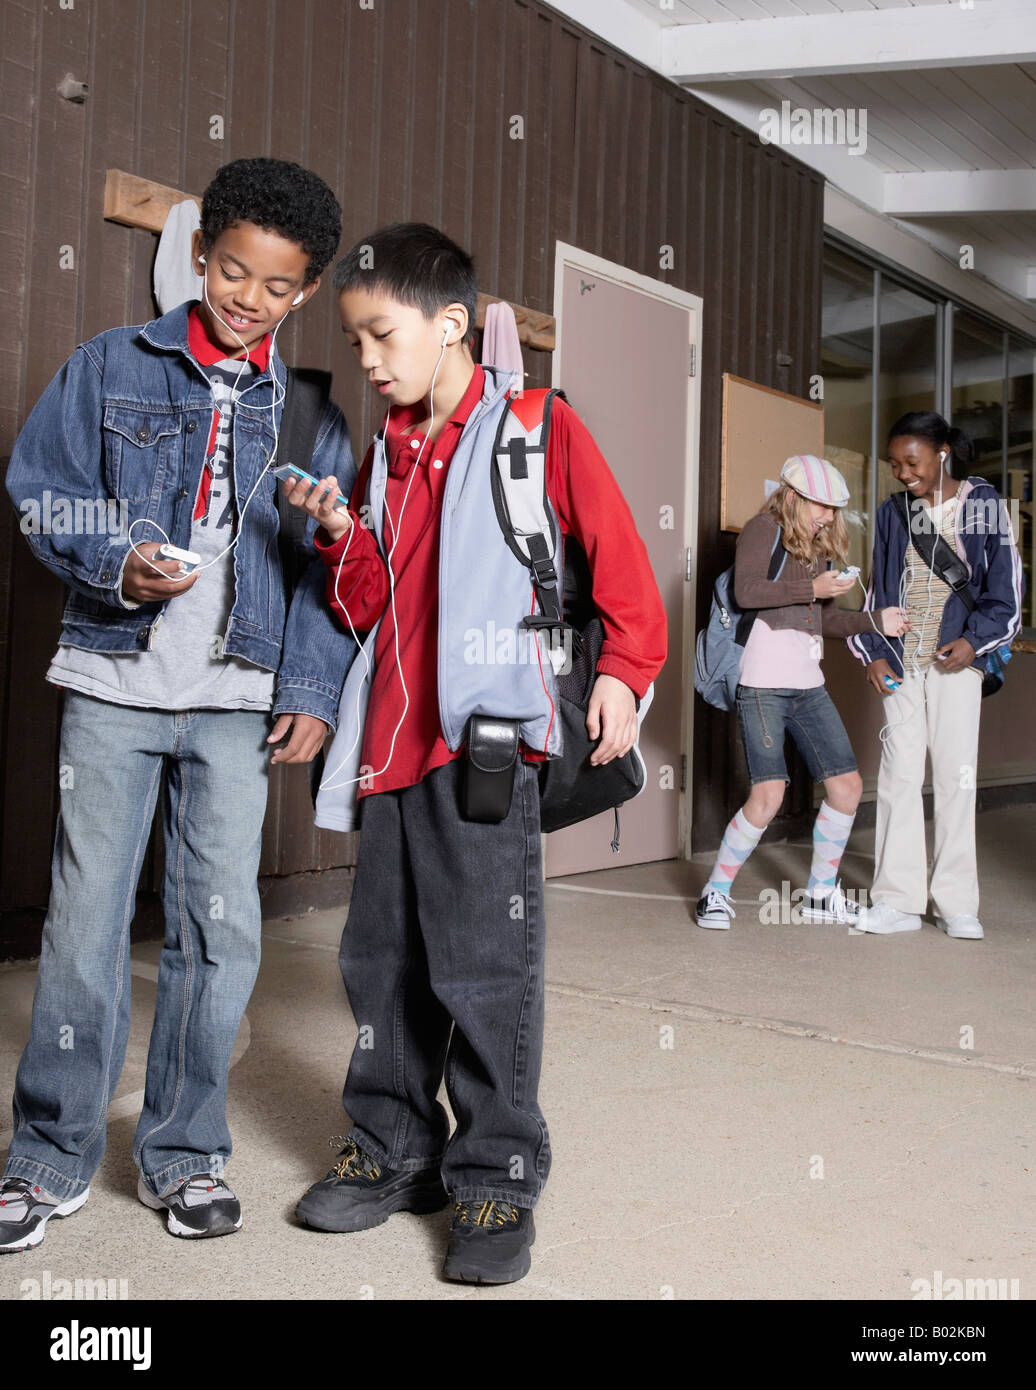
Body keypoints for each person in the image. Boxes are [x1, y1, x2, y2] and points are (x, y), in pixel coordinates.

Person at [280, 222, 667, 1284]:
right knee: (380, 963)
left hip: (490, 741)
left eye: (379, 335)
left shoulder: (535, 429)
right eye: (354, 341)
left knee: (483, 966)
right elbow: (371, 607)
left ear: (449, 323)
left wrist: (626, 678)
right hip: (390, 750)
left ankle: (494, 1179)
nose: (366, 360)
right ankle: (391, 1147)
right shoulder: (386, 456)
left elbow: (622, 569)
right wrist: (337, 535)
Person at [1, 157, 355, 1251]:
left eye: (275, 285)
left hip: (236, 703)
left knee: (221, 929)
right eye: (232, 270)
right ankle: (49, 1154)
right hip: (113, 682)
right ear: (200, 255)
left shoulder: (309, 416)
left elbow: (324, 575)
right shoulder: (108, 365)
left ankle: (186, 1150)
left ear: (302, 294)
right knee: (83, 921)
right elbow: (39, 489)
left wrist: (309, 688)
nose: (246, 298)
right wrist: (117, 563)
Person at [696, 455, 909, 930]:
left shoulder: (817, 546)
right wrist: (812, 586)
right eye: (823, 506)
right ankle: (715, 892)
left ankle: (820, 896)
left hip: (809, 685)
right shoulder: (761, 529)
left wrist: (877, 620)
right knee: (768, 795)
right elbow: (747, 593)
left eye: (835, 509)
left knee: (847, 788)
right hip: (762, 684)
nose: (830, 516)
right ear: (793, 497)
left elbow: (824, 619)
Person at [849, 413, 1024, 940]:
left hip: (957, 662)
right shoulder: (891, 513)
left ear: (942, 453)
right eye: (894, 464)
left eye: (912, 462)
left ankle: (955, 903)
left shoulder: (984, 505)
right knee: (900, 775)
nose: (902, 473)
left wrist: (973, 643)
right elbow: (878, 592)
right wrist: (873, 653)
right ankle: (898, 901)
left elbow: (1007, 596)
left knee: (955, 777)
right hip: (903, 661)